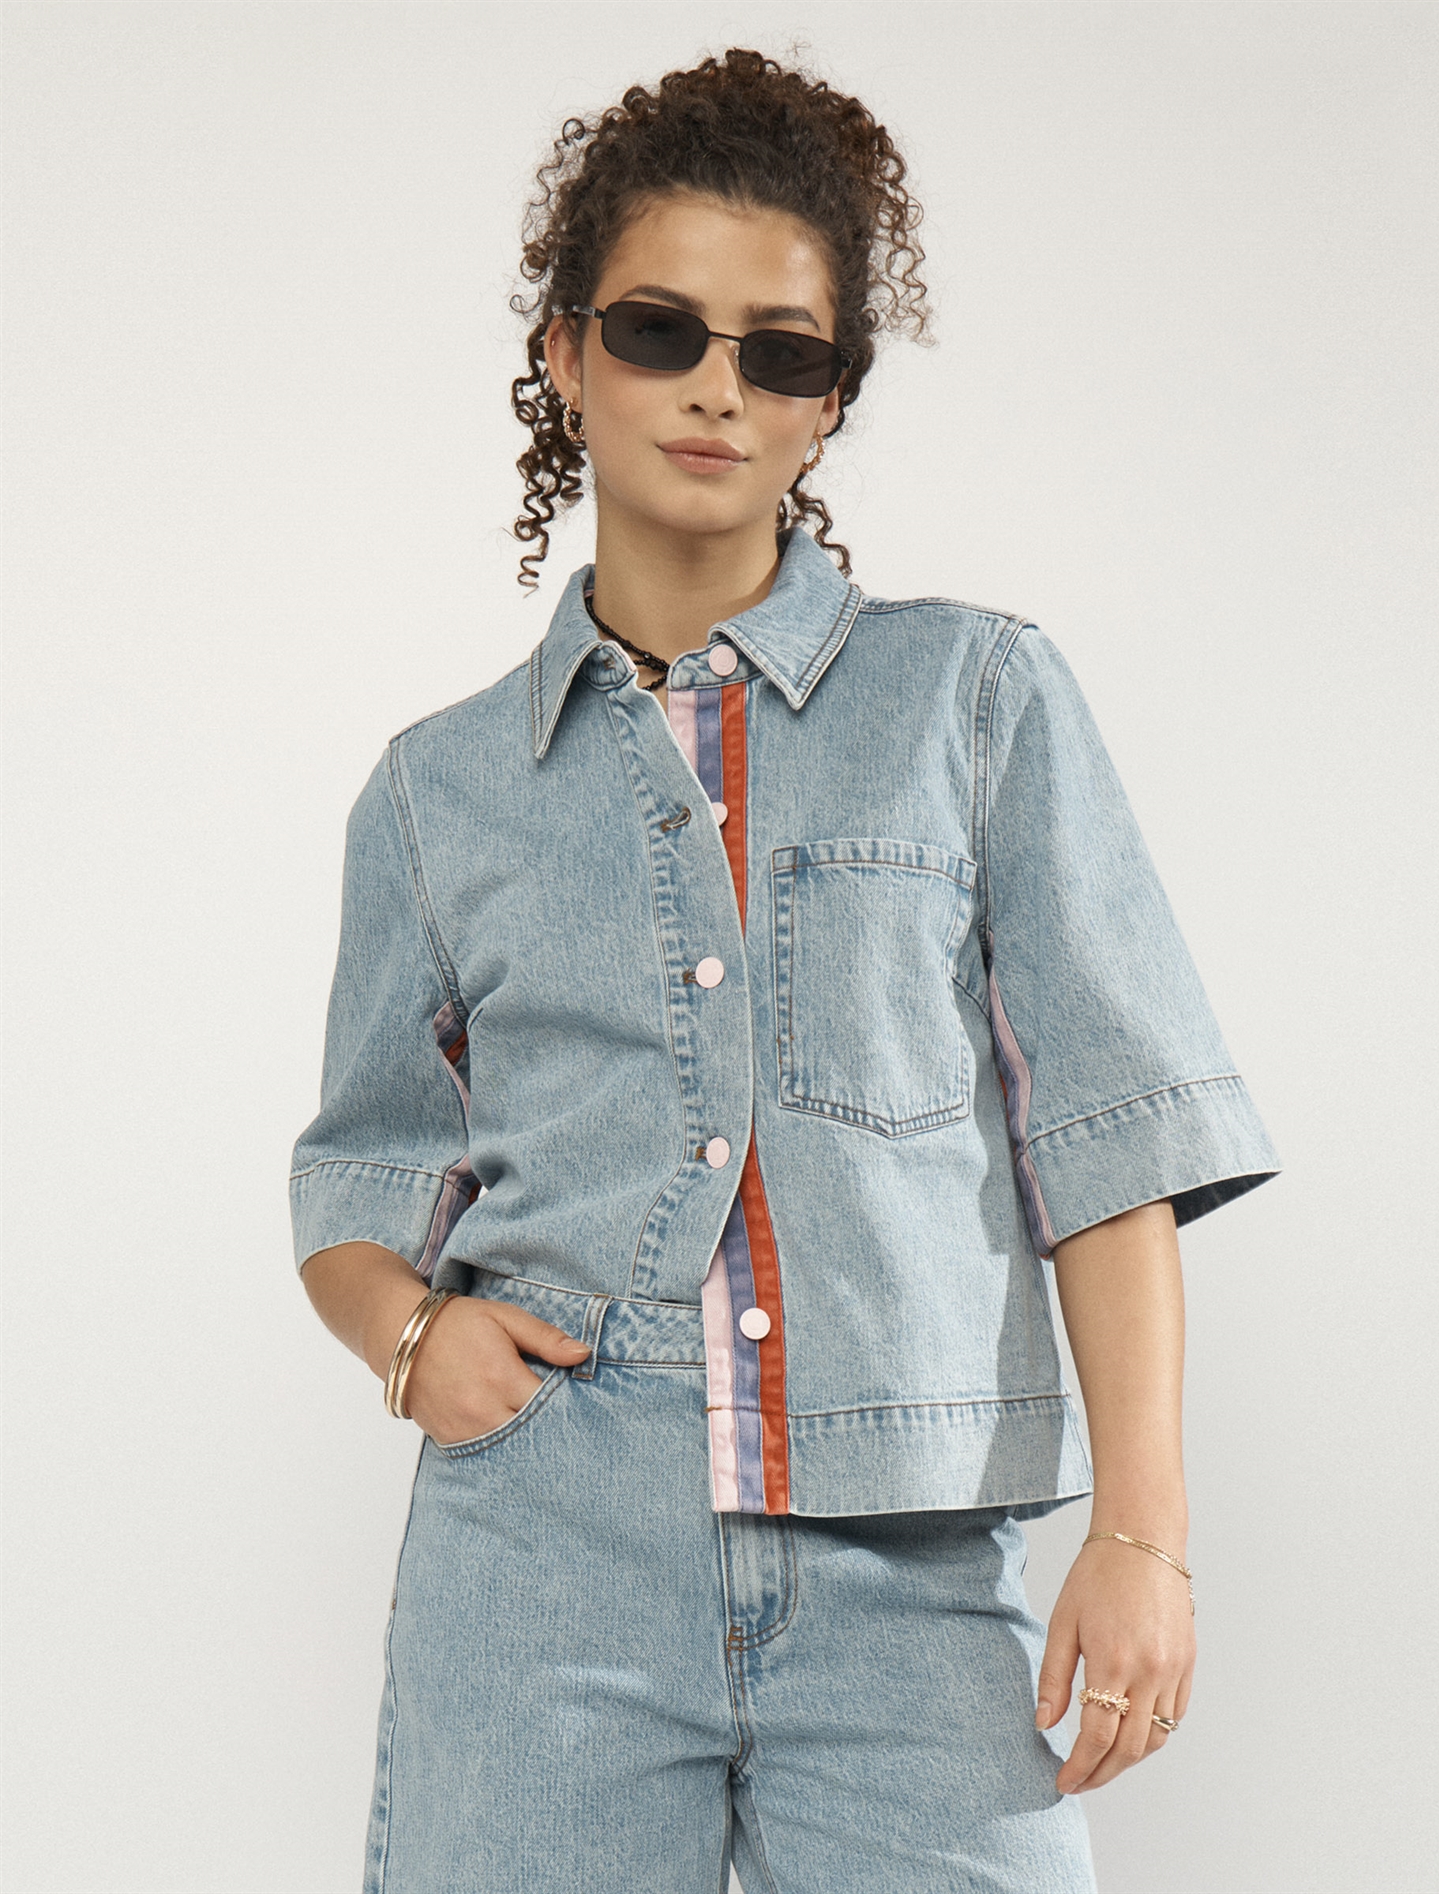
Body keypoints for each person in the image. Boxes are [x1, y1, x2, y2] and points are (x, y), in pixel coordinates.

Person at [292, 48, 1280, 1894]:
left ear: (830, 406)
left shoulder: (976, 701)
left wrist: (1143, 1530)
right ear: (568, 356)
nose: (717, 388)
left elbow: (1106, 1138)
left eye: (783, 352)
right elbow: (359, 1181)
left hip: (917, 1561)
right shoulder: (437, 791)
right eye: (661, 331)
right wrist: (414, 1343)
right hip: (546, 1566)